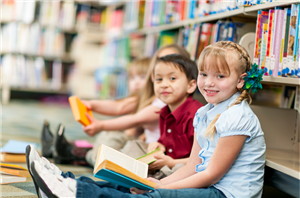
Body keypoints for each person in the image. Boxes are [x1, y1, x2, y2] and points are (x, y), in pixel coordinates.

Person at [27, 41, 266, 198]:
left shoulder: (237, 117)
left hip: (226, 193)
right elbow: (194, 165)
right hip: (208, 184)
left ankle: (75, 193)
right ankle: (66, 182)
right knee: (137, 183)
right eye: (204, 74)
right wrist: (156, 182)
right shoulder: (206, 112)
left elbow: (211, 174)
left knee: (155, 195)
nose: (209, 83)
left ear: (241, 80)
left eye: (220, 76)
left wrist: (162, 186)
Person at [50, 44, 192, 166]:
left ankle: (77, 154)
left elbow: (136, 119)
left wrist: (101, 125)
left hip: (154, 151)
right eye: (161, 61)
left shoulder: (167, 102)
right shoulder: (155, 95)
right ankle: (76, 152)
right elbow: (119, 106)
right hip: (147, 147)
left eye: (173, 62)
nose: (165, 66)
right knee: (111, 138)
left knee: (114, 144)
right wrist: (91, 104)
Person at [146, 54, 203, 178]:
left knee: (178, 168)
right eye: (159, 79)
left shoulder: (197, 115)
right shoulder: (163, 112)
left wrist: (171, 163)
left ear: (191, 86)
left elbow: (203, 159)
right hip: (168, 163)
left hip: (187, 168)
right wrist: (159, 146)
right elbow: (166, 141)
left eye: (172, 78)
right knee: (134, 145)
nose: (164, 85)